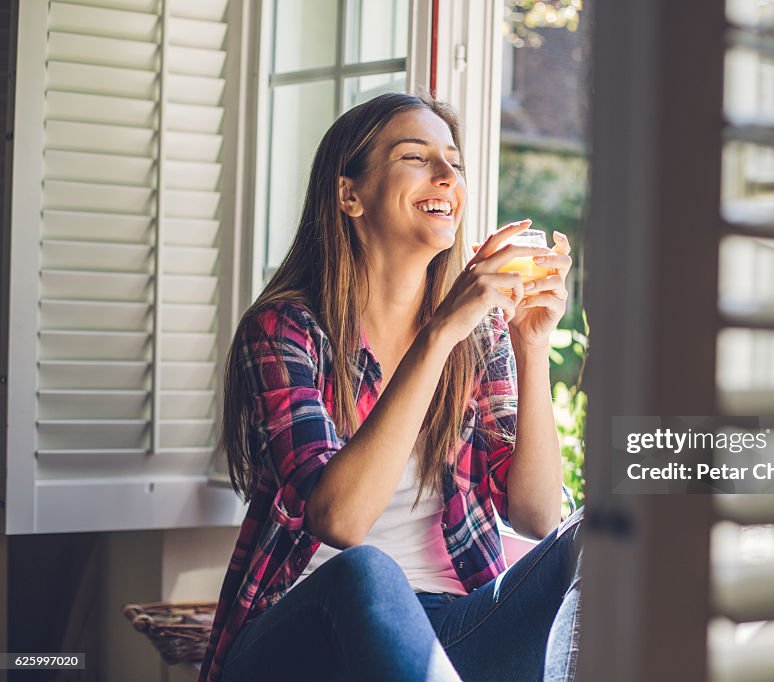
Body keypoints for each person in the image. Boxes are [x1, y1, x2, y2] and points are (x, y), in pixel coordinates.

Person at [198, 92, 584, 682]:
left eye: (453, 162)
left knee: (593, 536)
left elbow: (536, 514)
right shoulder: (285, 331)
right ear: (349, 194)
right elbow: (339, 522)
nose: (445, 175)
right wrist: (438, 336)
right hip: (306, 627)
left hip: (449, 627)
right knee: (367, 568)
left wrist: (530, 346)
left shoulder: (480, 337)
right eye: (415, 156)